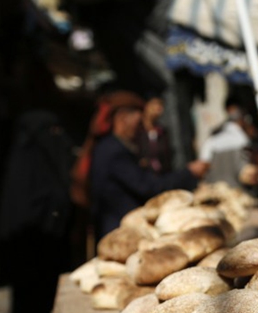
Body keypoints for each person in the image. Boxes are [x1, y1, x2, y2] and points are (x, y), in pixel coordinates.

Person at [0, 110, 76, 313]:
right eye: (51, 132)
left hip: (44, 256)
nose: (58, 138)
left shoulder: (36, 161)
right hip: (31, 259)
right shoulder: (26, 166)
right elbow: (26, 214)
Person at [88, 90, 209, 240]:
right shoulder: (114, 152)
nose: (139, 128)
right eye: (138, 122)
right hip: (119, 232)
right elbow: (147, 187)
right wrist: (188, 173)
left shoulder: (110, 147)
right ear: (122, 118)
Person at [198, 96, 253, 188]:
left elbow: (202, 166)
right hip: (237, 193)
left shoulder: (212, 138)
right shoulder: (243, 139)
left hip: (215, 192)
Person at [136, 94, 173, 174]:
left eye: (161, 104)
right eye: (155, 103)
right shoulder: (137, 131)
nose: (159, 108)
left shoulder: (162, 132)